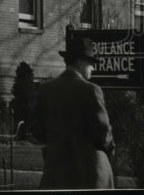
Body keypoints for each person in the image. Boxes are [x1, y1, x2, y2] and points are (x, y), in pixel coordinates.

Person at [33, 36, 115, 189]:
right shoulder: (91, 90)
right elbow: (103, 134)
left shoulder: (45, 89)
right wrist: (110, 149)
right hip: (90, 172)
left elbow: (38, 131)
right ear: (80, 62)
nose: (93, 68)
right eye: (90, 64)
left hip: (56, 172)